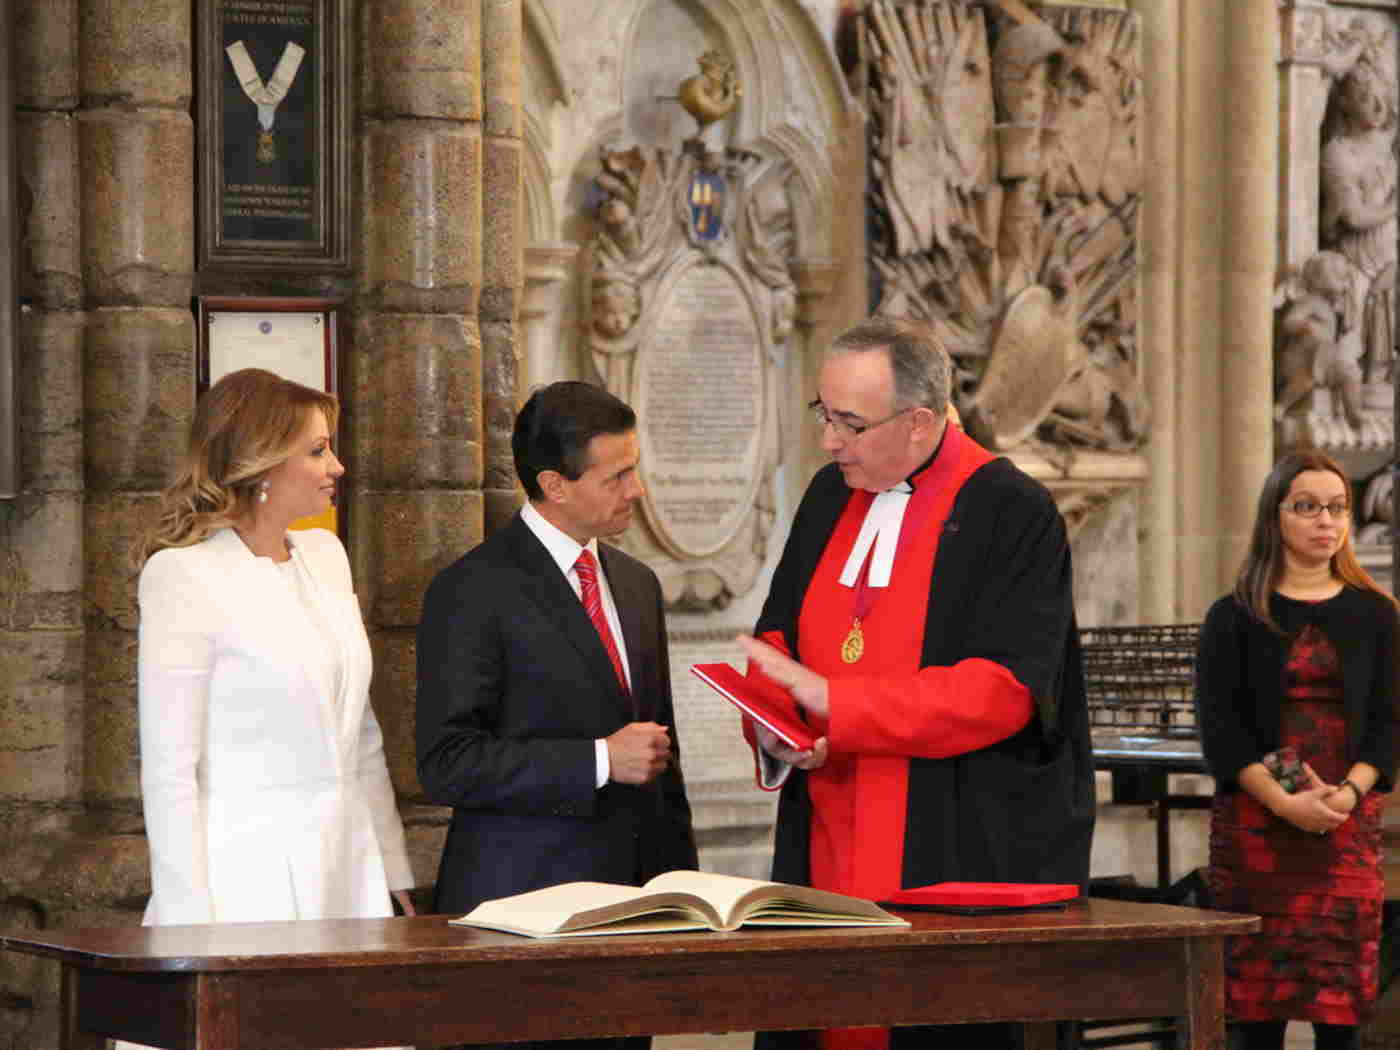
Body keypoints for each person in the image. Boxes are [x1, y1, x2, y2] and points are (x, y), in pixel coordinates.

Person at [737, 316, 1095, 1050]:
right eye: (824, 414)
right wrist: (775, 723)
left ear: (920, 421)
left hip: (952, 839)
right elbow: (778, 638)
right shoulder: (829, 494)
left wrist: (843, 706)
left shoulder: (1011, 511)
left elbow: (1005, 690)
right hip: (826, 830)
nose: (830, 440)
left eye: (850, 423)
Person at [129, 369, 415, 1047]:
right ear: (260, 462)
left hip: (348, 871)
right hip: (242, 877)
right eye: (317, 451)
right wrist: (187, 925)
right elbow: (170, 771)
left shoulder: (327, 555)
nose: (336, 466)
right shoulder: (183, 575)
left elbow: (361, 734)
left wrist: (395, 867)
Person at [416, 381, 697, 1049]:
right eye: (618, 475)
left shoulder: (637, 584)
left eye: (637, 467)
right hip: (519, 922)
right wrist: (598, 759)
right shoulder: (471, 589)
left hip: (633, 920)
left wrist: (686, 910)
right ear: (554, 484)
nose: (639, 491)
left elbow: (662, 758)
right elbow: (447, 763)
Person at [1195, 450, 1399, 1050]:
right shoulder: (1232, 616)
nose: (1325, 521)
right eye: (1306, 507)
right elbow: (1221, 731)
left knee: (1341, 1017)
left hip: (1346, 825)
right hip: (1258, 830)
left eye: (1337, 508)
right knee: (1254, 1018)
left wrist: (1348, 793)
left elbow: (1390, 724)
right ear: (1274, 517)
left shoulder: (1377, 614)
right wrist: (1286, 804)